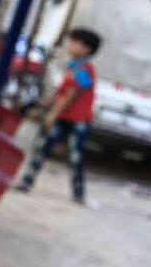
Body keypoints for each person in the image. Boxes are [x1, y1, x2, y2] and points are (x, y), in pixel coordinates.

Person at [15, 28, 102, 204]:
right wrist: (49, 101)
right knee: (45, 148)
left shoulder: (84, 68)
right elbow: (64, 89)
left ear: (86, 49)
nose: (69, 45)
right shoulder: (74, 66)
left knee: (72, 155)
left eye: (74, 42)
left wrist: (53, 113)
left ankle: (78, 193)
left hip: (77, 119)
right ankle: (27, 182)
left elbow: (72, 92)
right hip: (66, 116)